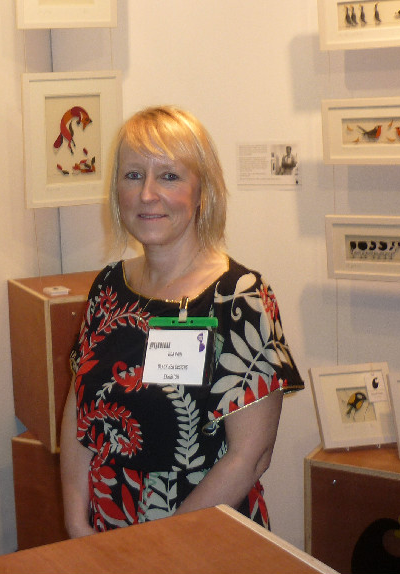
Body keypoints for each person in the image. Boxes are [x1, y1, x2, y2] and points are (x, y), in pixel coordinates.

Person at [60, 106, 303, 536]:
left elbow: (251, 456)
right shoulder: (108, 287)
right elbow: (79, 411)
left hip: (202, 535)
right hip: (106, 532)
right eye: (133, 175)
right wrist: (76, 522)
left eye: (169, 176)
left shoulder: (240, 297)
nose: (147, 194)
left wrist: (161, 546)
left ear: (202, 191)